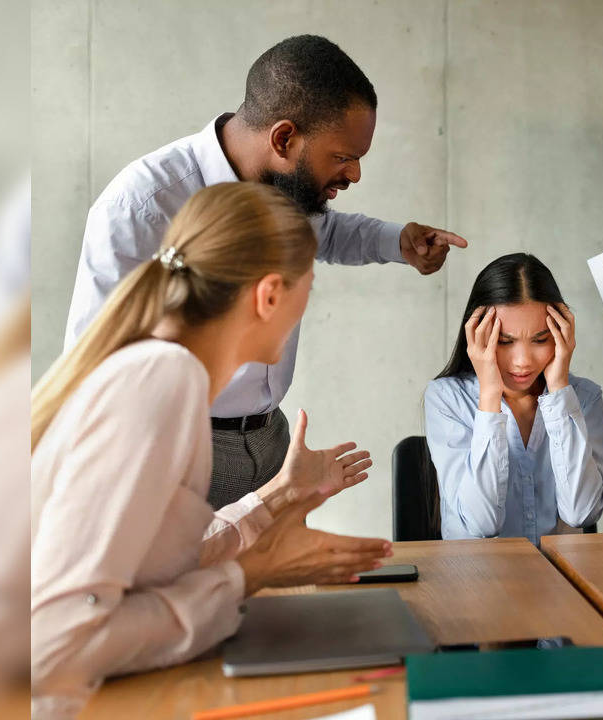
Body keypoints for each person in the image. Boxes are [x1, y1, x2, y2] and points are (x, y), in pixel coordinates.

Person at [31, 184, 393, 717]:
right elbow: (54, 643)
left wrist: (277, 498)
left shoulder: (161, 371)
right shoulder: (162, 378)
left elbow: (142, 567)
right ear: (269, 295)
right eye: (308, 288)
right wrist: (252, 573)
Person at [64, 34, 469, 509]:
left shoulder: (288, 187)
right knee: (201, 578)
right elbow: (96, 369)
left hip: (271, 439)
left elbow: (322, 231)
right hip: (180, 451)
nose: (355, 174)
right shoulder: (142, 205)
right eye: (343, 157)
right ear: (283, 138)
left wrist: (397, 242)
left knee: (282, 580)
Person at [425, 254, 603, 545]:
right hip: (474, 584)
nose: (522, 362)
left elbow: (582, 514)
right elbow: (481, 523)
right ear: (476, 336)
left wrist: (560, 388)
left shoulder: (584, 398)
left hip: (557, 583)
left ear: (561, 335)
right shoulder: (447, 398)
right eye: (505, 342)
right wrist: (489, 396)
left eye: (539, 340)